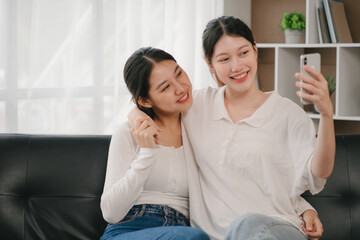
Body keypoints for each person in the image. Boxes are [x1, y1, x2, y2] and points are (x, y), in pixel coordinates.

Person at [129, 16, 335, 240]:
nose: (237, 66)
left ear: (255, 51)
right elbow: (151, 105)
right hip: (217, 235)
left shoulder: (287, 113)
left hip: (278, 230)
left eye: (244, 52)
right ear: (211, 66)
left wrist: (326, 114)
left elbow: (319, 173)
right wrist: (134, 116)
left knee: (247, 225)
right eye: (224, 59)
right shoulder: (197, 107)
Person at [100, 47, 210, 240]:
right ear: (145, 100)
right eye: (165, 87)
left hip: (183, 230)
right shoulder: (128, 133)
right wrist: (147, 152)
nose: (180, 88)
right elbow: (110, 212)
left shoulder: (199, 125)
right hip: (129, 228)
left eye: (179, 73)